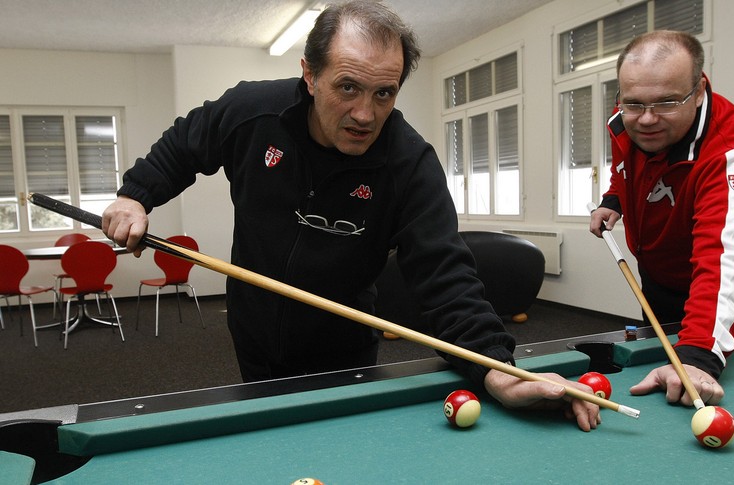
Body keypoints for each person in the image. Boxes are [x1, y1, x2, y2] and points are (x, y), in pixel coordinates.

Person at [103, 1, 601, 430]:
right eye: (347, 88)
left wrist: (496, 366)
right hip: (253, 326)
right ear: (310, 75)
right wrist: (136, 196)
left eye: (383, 93)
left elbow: (446, 277)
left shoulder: (409, 163)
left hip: (343, 343)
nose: (365, 114)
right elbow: (184, 146)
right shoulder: (252, 112)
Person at [589, 31, 734, 407]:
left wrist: (698, 356)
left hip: (731, 268)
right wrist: (614, 198)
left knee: (703, 360)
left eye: (666, 102)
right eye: (633, 103)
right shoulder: (626, 120)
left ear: (698, 91)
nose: (646, 119)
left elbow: (725, 259)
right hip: (660, 262)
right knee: (658, 356)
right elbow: (627, 164)